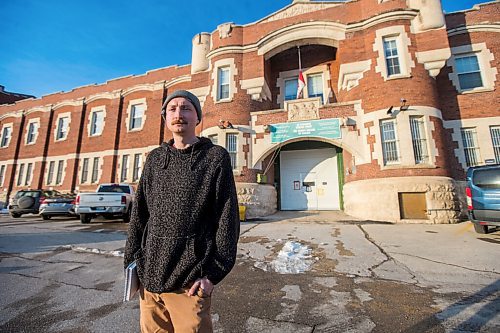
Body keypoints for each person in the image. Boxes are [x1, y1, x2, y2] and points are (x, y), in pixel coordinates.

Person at [124, 90, 240, 333]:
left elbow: (226, 218)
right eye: (173, 109)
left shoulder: (215, 157)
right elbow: (140, 215)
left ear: (198, 117)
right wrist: (133, 262)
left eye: (186, 108)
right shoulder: (155, 159)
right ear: (165, 117)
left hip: (190, 283)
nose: (179, 114)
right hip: (150, 281)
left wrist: (213, 274)